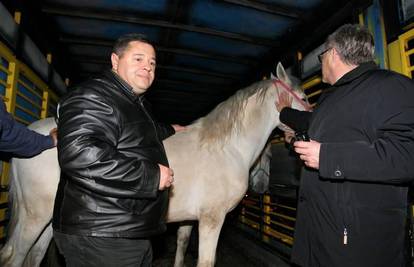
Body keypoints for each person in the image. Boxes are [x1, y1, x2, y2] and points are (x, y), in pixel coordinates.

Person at [276, 24, 414, 267]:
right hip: (320, 240)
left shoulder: (392, 87)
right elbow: (314, 125)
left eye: (321, 57)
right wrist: (286, 116)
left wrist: (327, 157)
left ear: (333, 54)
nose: (321, 65)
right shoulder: (333, 98)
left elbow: (406, 156)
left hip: (359, 248)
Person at [53, 33, 184, 267]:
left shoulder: (133, 103)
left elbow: (139, 132)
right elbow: (79, 154)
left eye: (152, 62)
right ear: (115, 60)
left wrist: (171, 129)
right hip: (100, 234)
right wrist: (152, 176)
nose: (147, 67)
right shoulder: (94, 95)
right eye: (138, 59)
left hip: (125, 229)